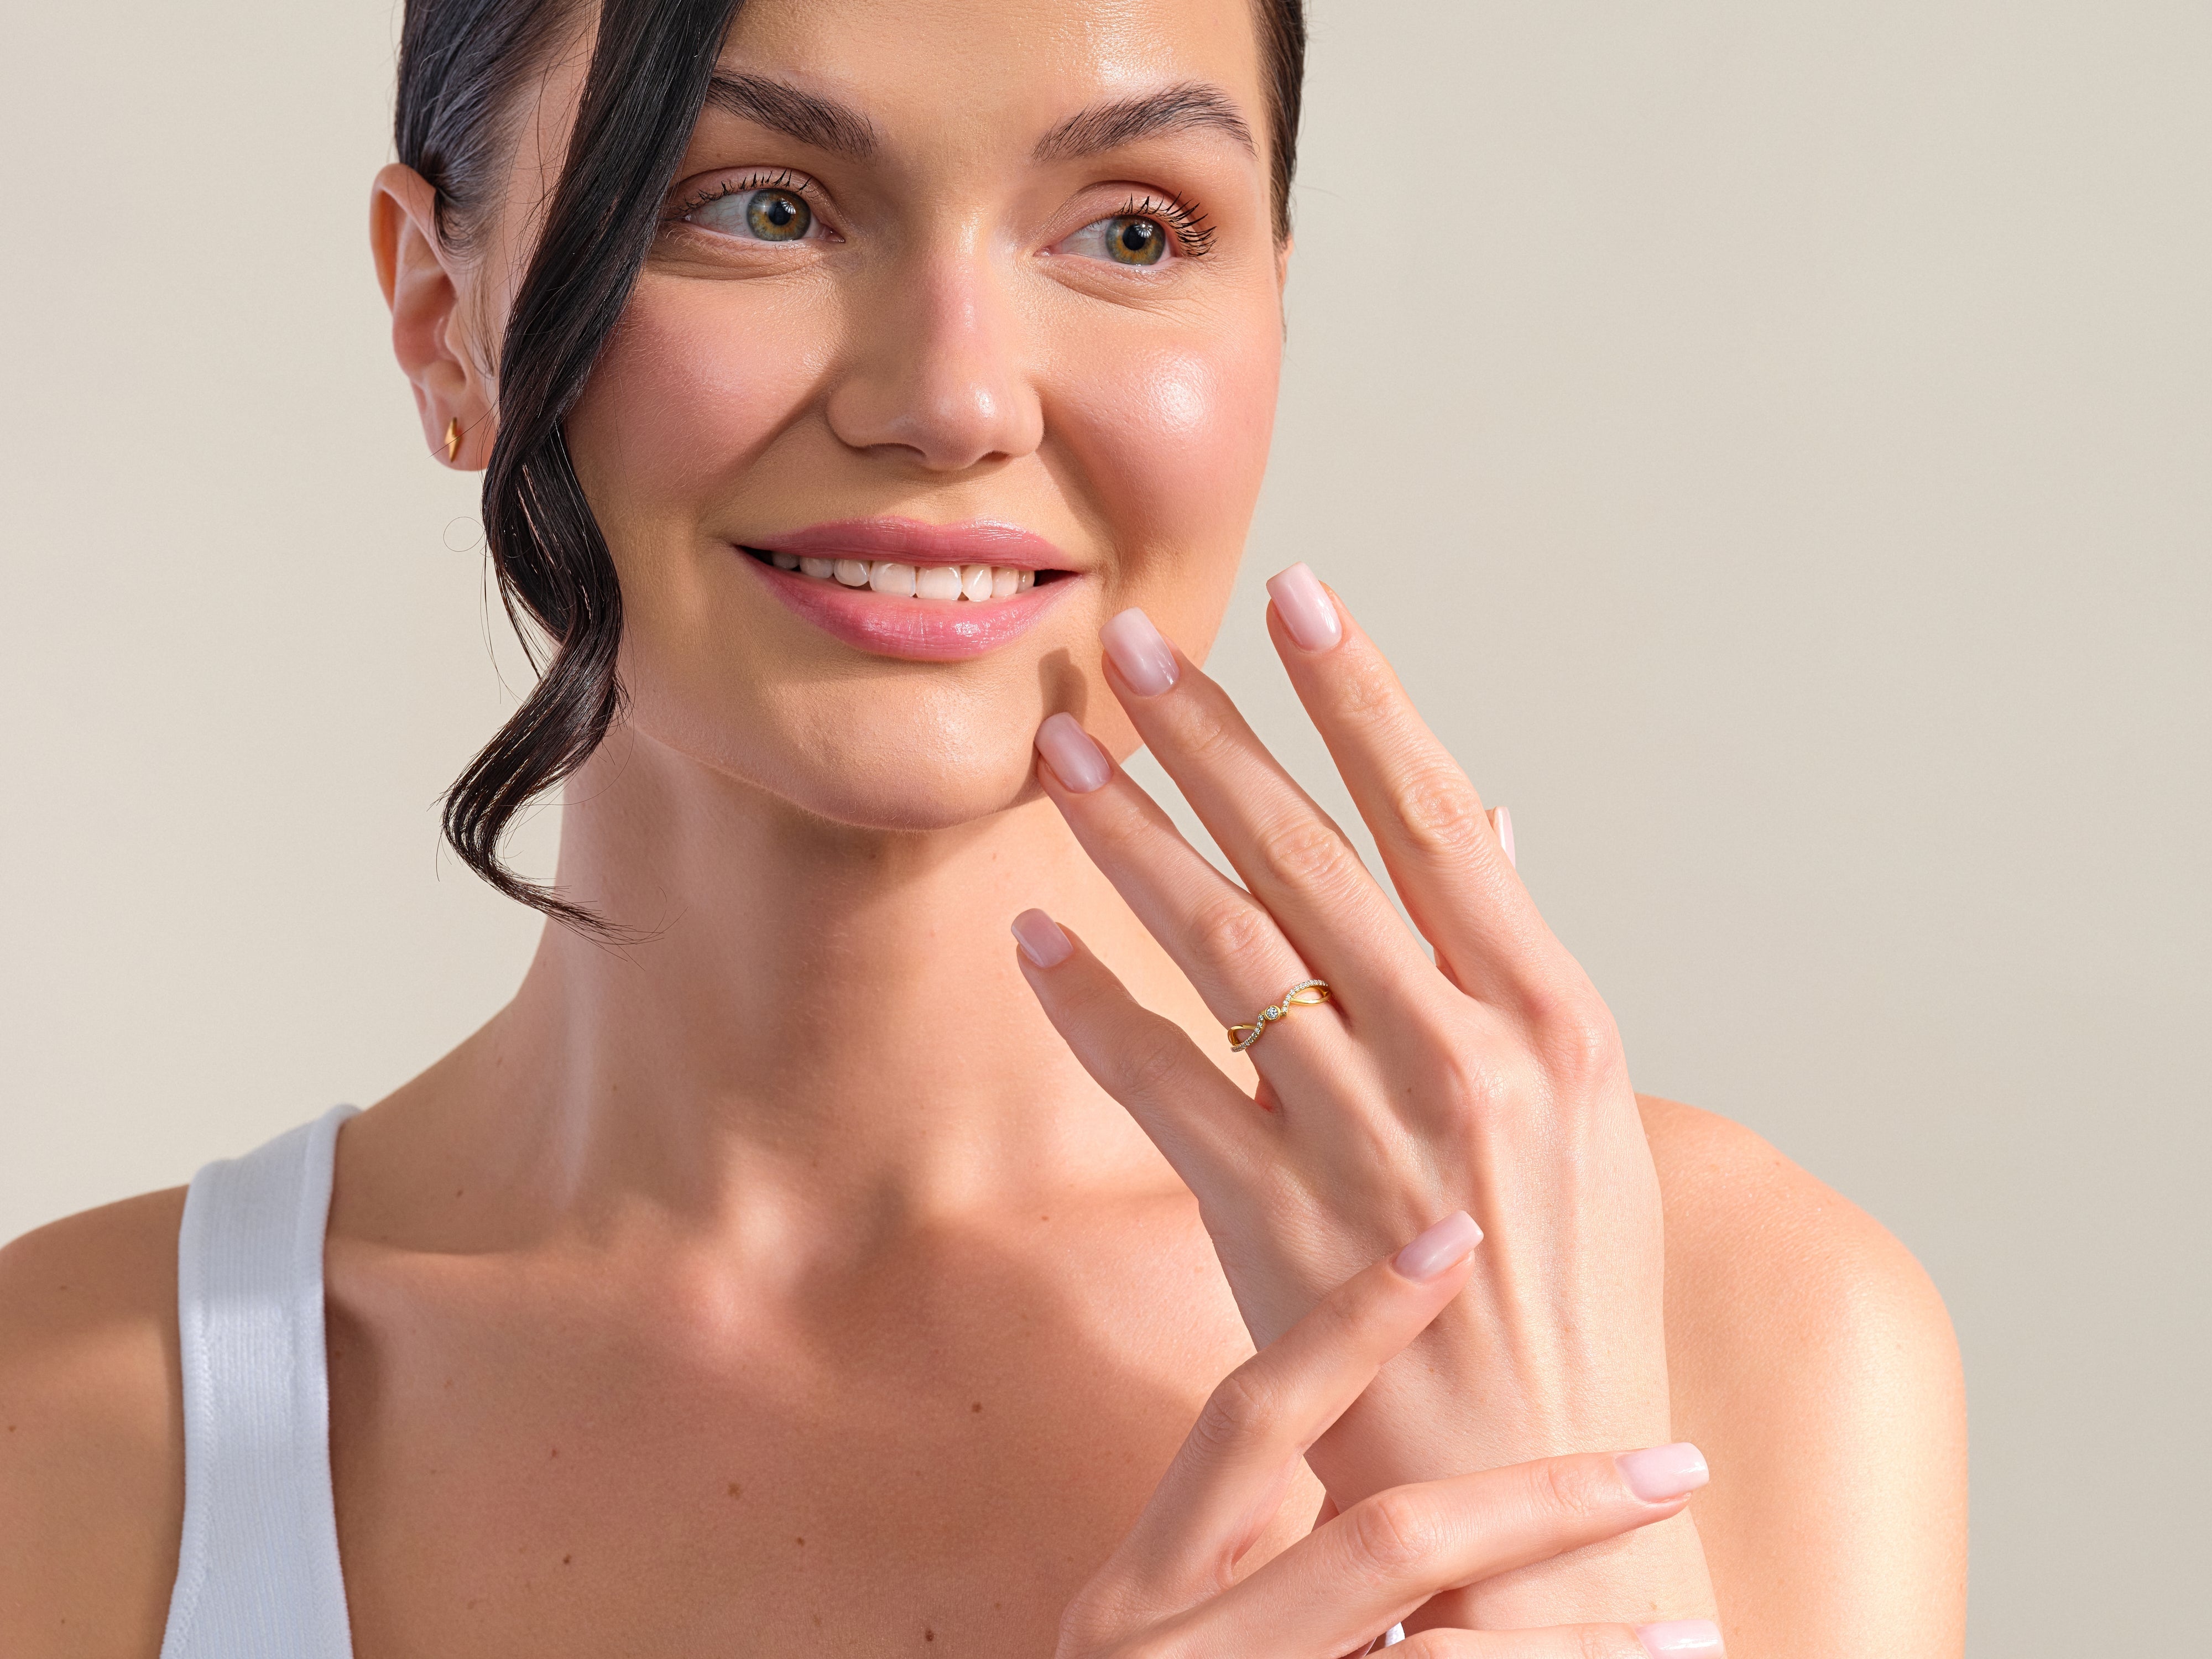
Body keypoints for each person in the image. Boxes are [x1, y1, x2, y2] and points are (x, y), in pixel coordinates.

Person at [0, 0, 1967, 1653]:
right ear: (446, 317)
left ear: (1277, 297)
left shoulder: (1715, 1325)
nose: (954, 400)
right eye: (759, 205)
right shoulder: (76, 1433)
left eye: (1131, 230)